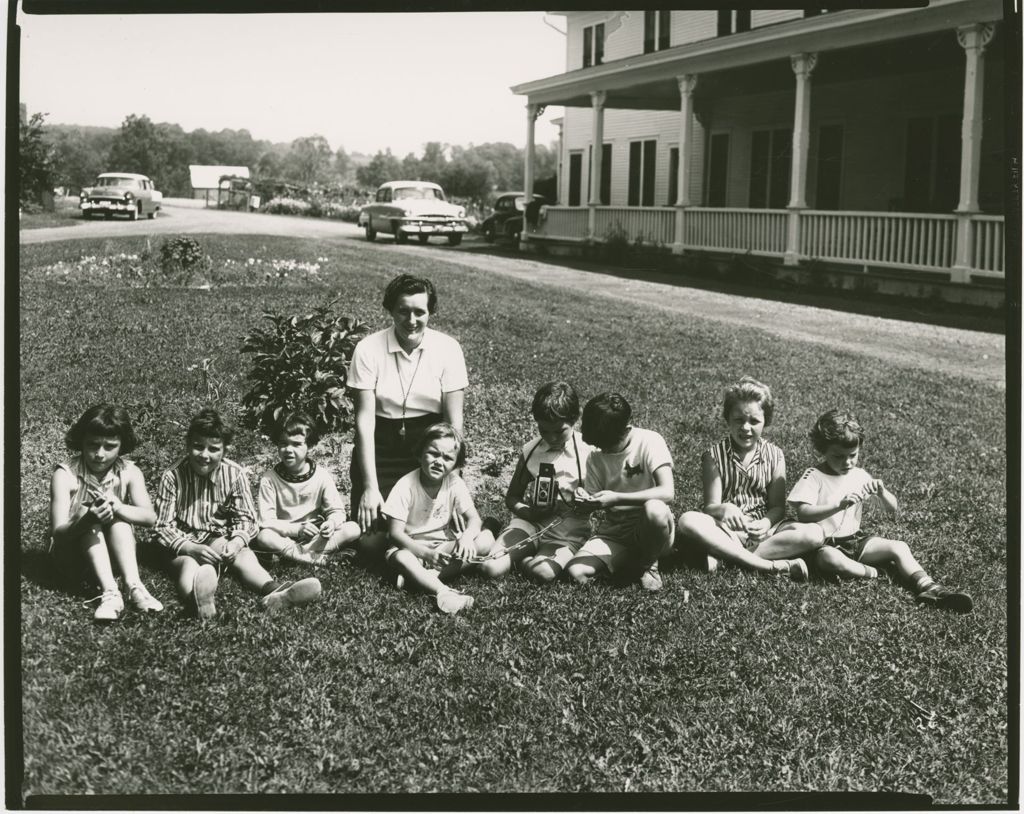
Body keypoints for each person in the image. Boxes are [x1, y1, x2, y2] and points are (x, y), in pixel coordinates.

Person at [788, 409, 973, 613]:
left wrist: (883, 493)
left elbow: (892, 509)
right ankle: (877, 573)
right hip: (823, 545)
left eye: (853, 455)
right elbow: (803, 513)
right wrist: (838, 506)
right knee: (830, 559)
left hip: (855, 540)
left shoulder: (857, 475)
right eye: (838, 456)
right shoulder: (814, 476)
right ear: (823, 450)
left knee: (899, 547)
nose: (847, 462)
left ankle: (929, 586)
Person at [154, 407, 322, 620]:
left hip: (215, 538)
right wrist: (190, 547)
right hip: (179, 543)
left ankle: (275, 591)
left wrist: (236, 542)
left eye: (213, 449)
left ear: (225, 450)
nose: (205, 455)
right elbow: (162, 526)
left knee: (244, 556)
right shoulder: (172, 477)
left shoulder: (234, 474)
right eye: (198, 447)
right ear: (187, 444)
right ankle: (196, 600)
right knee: (190, 565)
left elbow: (247, 519)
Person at [348, 274, 468, 539]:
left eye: (419, 312)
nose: (411, 321)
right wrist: (369, 486)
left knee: (430, 529)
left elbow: (454, 424)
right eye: (403, 311)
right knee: (370, 539)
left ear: (430, 312)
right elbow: (365, 424)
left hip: (430, 448)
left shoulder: (448, 349)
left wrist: (453, 483)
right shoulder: (368, 349)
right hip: (381, 448)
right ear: (391, 309)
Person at [676, 377, 819, 581]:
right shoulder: (713, 456)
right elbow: (710, 507)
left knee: (814, 533)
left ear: (766, 422)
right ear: (727, 419)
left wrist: (766, 523)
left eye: (754, 421)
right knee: (687, 520)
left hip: (764, 535)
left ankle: (727, 557)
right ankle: (769, 566)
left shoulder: (775, 455)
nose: (745, 427)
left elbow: (778, 507)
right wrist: (725, 508)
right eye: (738, 420)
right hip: (727, 531)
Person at [49, 404, 164, 621]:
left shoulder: (129, 471)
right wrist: (86, 520)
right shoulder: (65, 475)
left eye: (110, 446)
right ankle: (110, 593)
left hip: (113, 558)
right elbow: (58, 534)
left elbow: (150, 518)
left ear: (122, 446)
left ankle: (134, 586)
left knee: (119, 518)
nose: (100, 454)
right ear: (81, 441)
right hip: (71, 560)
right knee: (88, 513)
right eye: (93, 445)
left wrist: (119, 507)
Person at [480, 381, 592, 583]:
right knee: (490, 567)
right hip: (531, 524)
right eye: (544, 430)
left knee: (543, 573)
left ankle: (526, 559)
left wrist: (586, 501)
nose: (551, 438)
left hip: (566, 532)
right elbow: (513, 497)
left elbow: (603, 497)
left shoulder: (589, 451)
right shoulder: (531, 451)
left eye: (559, 431)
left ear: (576, 418)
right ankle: (492, 530)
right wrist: (529, 512)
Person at [565, 393, 676, 592]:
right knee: (576, 572)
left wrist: (617, 498)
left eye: (606, 445)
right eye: (598, 446)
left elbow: (667, 492)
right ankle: (629, 563)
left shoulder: (649, 441)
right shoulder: (596, 456)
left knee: (655, 509)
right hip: (616, 529)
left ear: (624, 431)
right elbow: (591, 499)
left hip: (651, 527)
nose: (602, 450)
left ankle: (649, 564)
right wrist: (583, 498)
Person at [382, 423, 495, 614]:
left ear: (456, 464)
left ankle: (419, 579)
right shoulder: (406, 486)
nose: (439, 462)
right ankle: (443, 591)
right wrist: (425, 554)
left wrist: (467, 537)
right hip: (410, 548)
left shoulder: (454, 483)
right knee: (402, 557)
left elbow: (474, 519)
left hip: (442, 546)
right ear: (419, 454)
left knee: (485, 540)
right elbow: (395, 534)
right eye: (433, 454)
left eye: (448, 458)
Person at [252, 411, 361, 564]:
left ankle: (296, 557)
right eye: (283, 444)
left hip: (315, 536)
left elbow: (337, 511)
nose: (288, 450)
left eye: (296, 444)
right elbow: (266, 521)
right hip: (286, 536)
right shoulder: (269, 479)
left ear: (309, 446)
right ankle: (315, 559)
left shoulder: (321, 475)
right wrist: (298, 529)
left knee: (353, 528)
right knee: (264, 537)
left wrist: (331, 524)